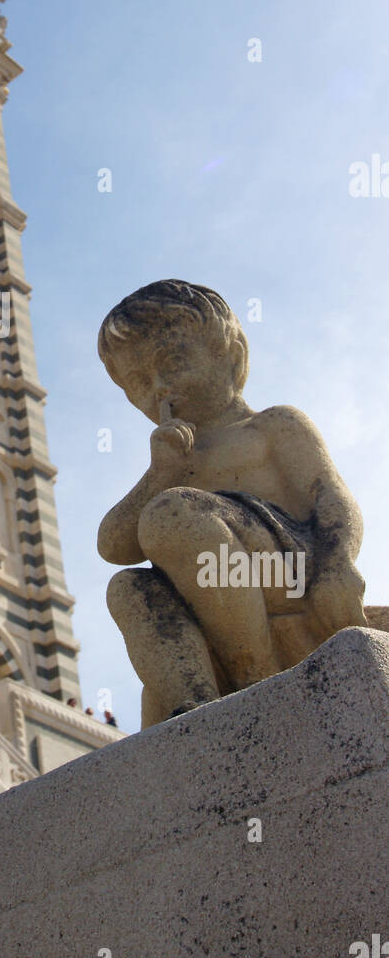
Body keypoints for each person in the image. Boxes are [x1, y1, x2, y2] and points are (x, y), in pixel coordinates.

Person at [97, 280, 366, 727]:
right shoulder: (172, 465)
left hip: (289, 566)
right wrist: (160, 473)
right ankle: (197, 709)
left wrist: (338, 563)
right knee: (127, 588)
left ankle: (257, 679)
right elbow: (112, 547)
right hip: (214, 584)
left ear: (231, 355)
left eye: (174, 363)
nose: (160, 389)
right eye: (140, 383)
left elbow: (331, 495)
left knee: (169, 515)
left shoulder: (271, 426)